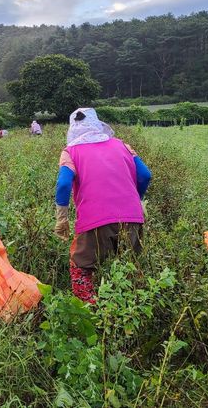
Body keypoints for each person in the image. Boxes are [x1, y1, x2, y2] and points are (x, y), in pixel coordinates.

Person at [54, 108, 152, 304]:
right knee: (129, 268)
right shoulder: (123, 146)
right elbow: (145, 175)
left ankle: (93, 313)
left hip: (94, 221)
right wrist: (136, 201)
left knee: (81, 268)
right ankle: (128, 310)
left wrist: (61, 219)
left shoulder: (71, 152)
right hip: (132, 217)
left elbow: (64, 184)